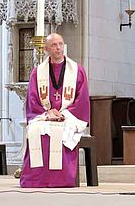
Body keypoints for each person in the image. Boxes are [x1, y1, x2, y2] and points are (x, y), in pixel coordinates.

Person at [20, 33, 90, 188]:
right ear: (46, 49)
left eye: (61, 44)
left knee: (61, 132)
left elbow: (82, 99)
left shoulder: (77, 70)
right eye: (54, 45)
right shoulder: (37, 72)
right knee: (37, 131)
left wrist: (64, 114)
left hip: (69, 116)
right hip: (45, 116)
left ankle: (61, 180)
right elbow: (32, 99)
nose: (58, 48)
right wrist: (47, 113)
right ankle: (36, 180)